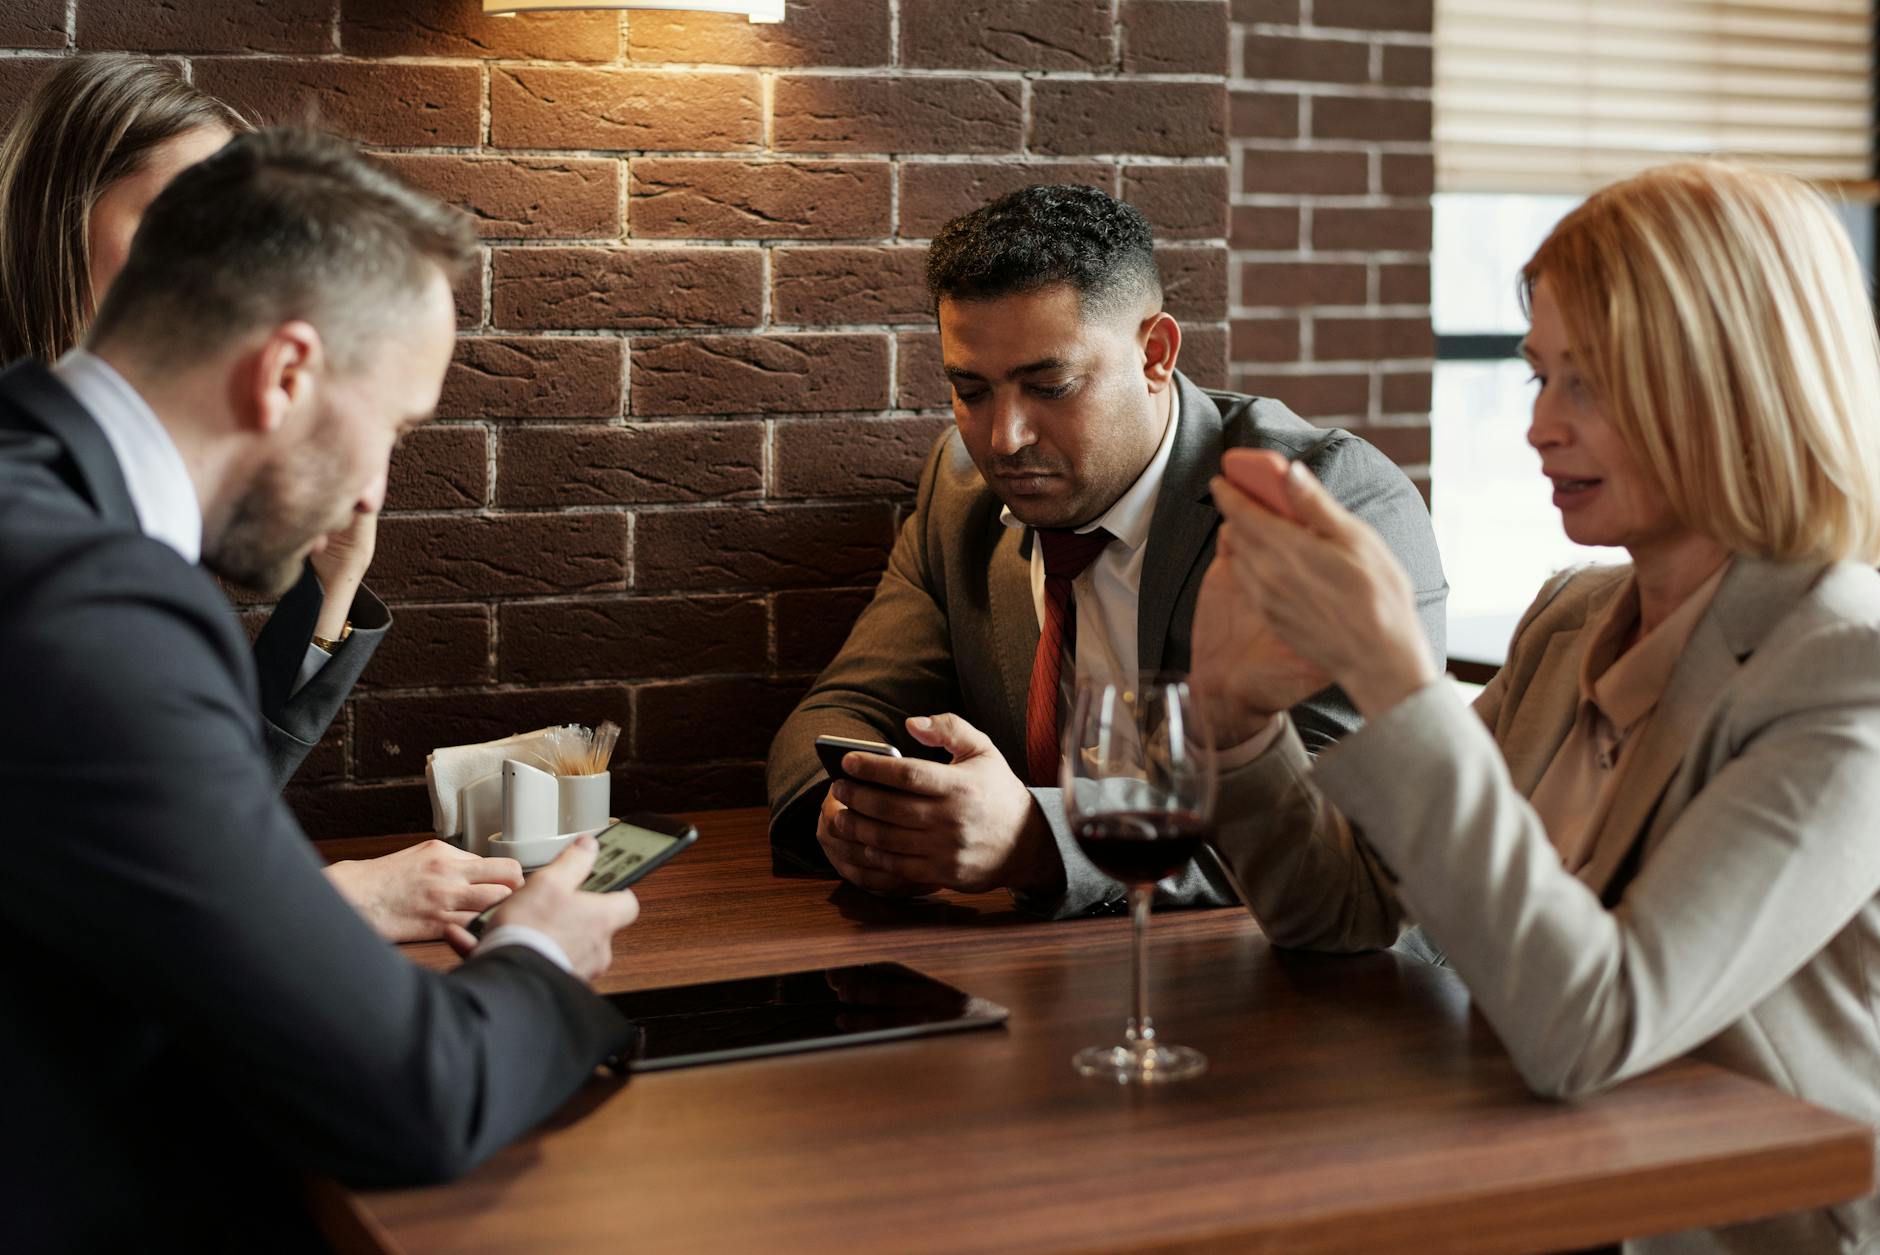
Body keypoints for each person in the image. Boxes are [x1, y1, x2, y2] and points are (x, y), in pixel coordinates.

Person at [1200, 160, 1880, 1252]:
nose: (1537, 430)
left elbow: (1590, 1024)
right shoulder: (1572, 618)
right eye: (1538, 378)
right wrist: (1234, 724)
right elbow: (1344, 915)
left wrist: (1397, 685)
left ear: (1737, 383)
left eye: (1591, 382)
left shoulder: (1847, 668)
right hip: (1526, 1184)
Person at [0, 126, 642, 1250]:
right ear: (286, 373)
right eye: (393, 423)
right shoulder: (90, 604)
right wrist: (540, 954)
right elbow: (409, 1096)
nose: (375, 479)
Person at [766, 185, 1447, 918]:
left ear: (1154, 354)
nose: (1004, 438)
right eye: (971, 390)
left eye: (1049, 385)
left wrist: (1039, 837)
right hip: (1047, 976)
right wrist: (863, 817)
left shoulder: (1324, 498)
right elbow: (840, 709)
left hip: (1319, 984)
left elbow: (1340, 829)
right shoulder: (959, 489)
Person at [0, 54, 522, 942]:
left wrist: (329, 587)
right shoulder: (51, 527)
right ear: (56, 226)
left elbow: (172, 823)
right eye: (184, 229)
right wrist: (344, 902)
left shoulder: (140, 481)